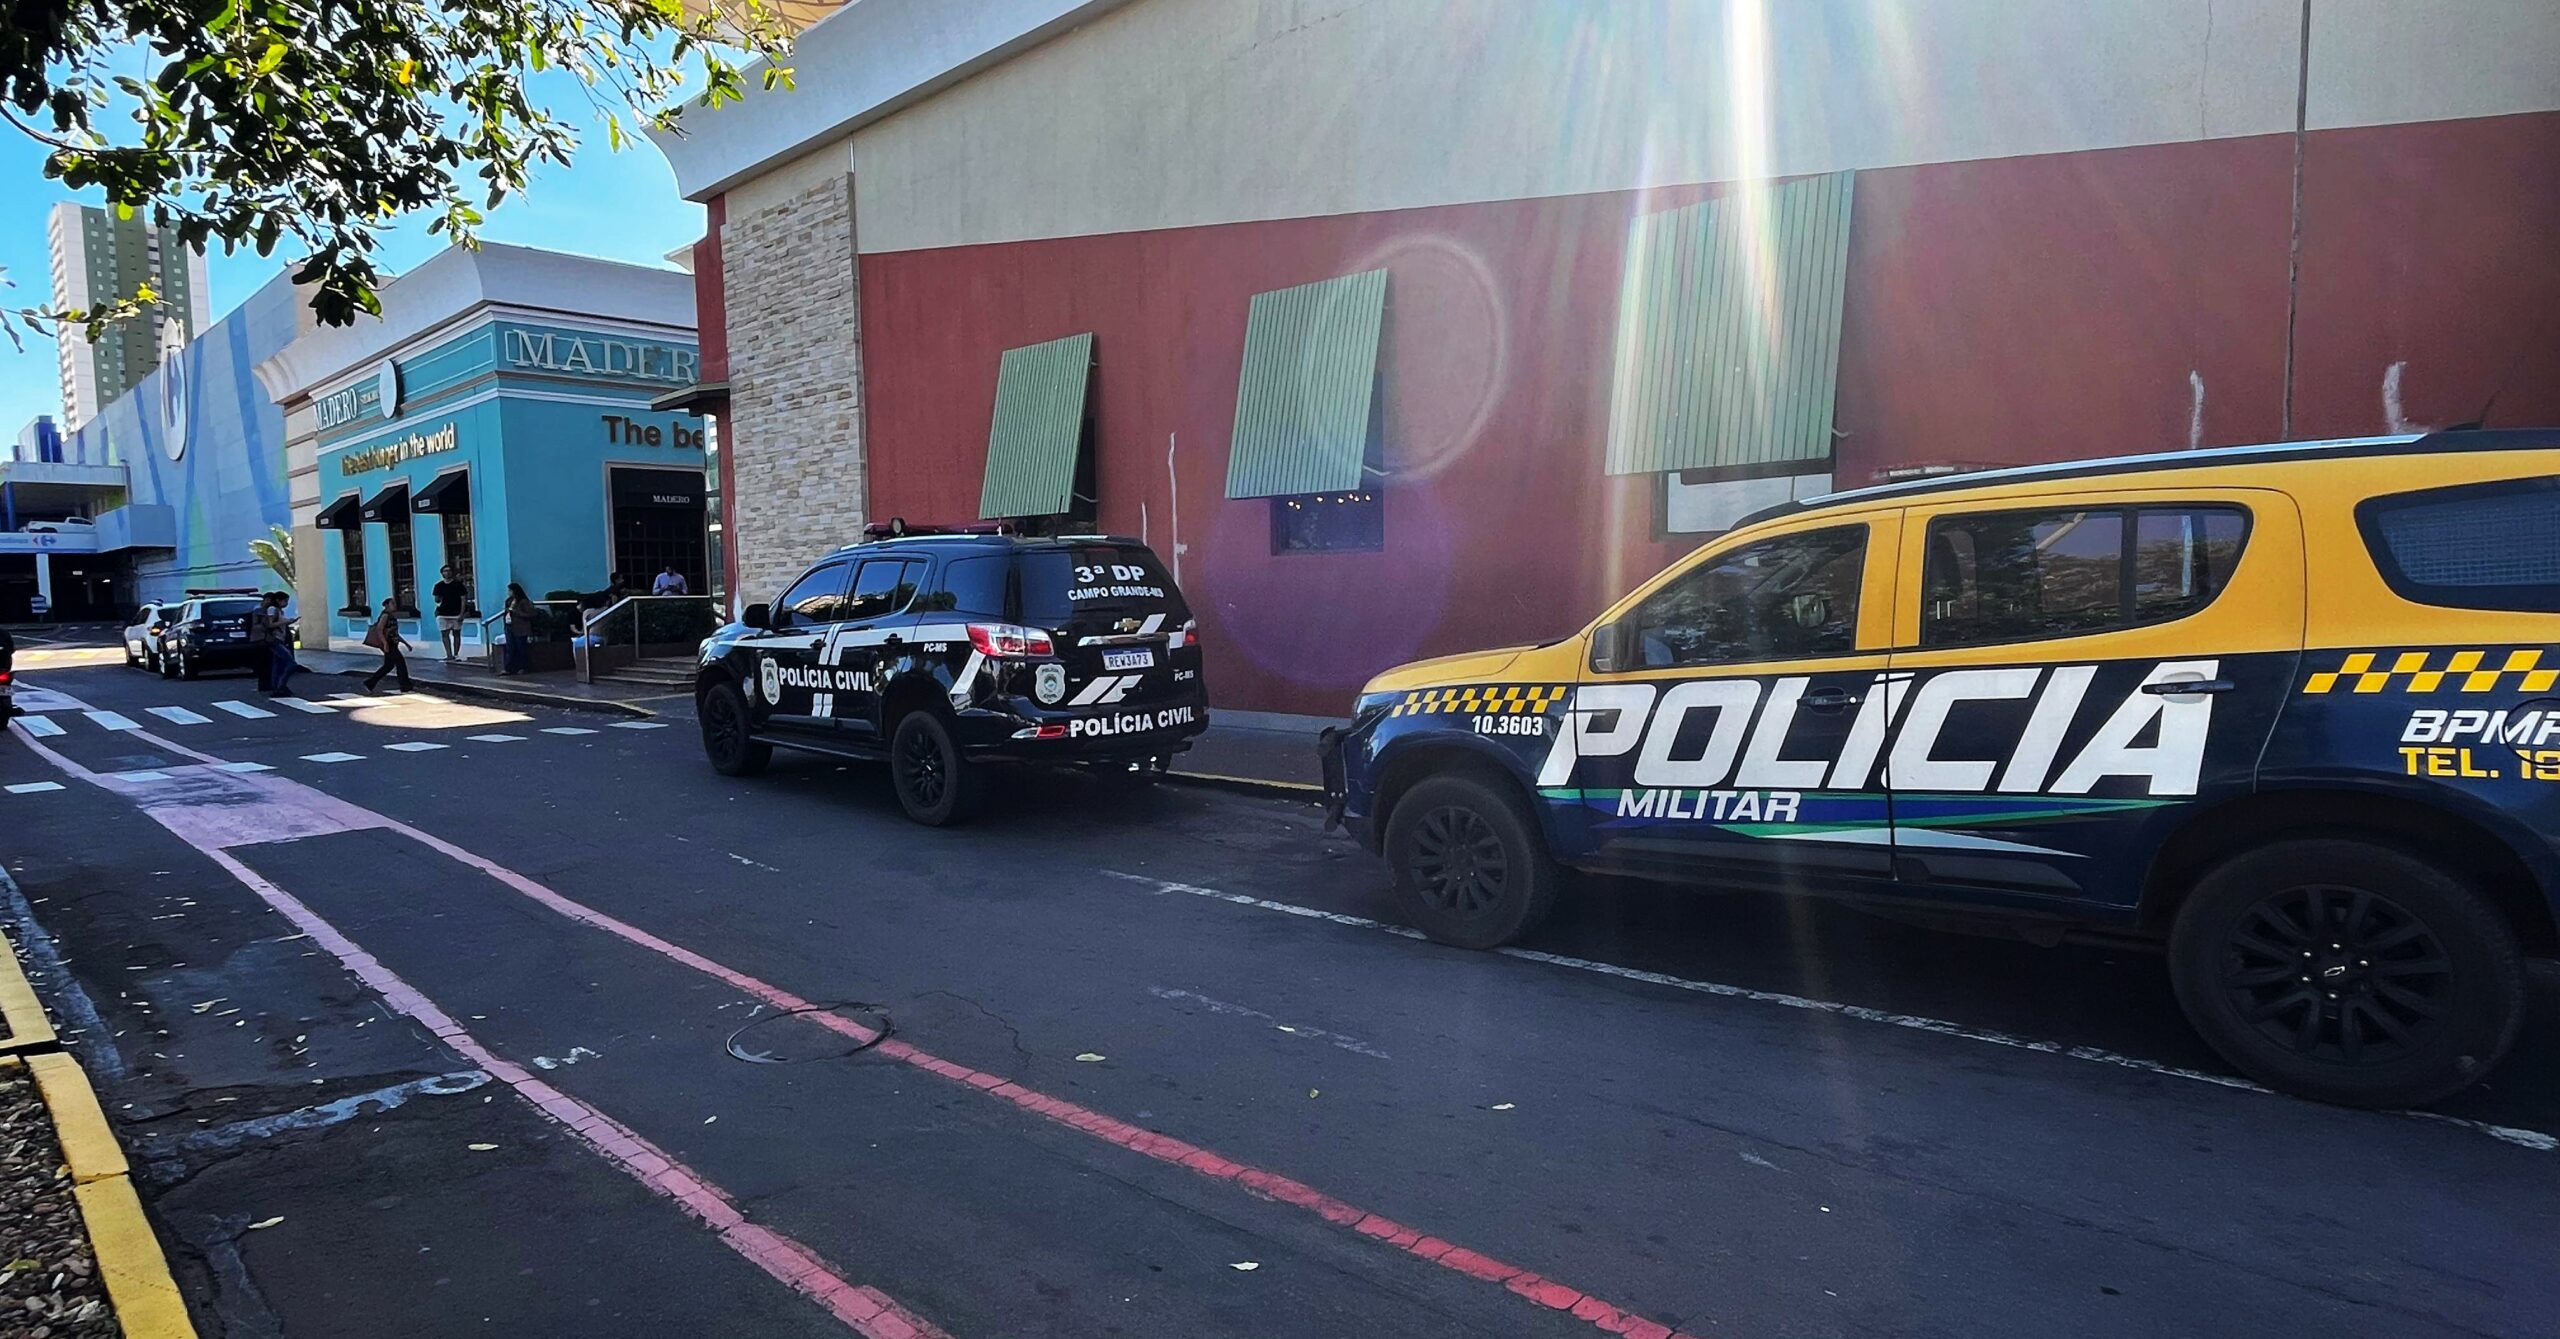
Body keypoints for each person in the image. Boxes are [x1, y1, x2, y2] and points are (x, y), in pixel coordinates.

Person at [362, 595, 413, 693]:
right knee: (400, 664)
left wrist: (406, 644)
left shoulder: (392, 617)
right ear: (386, 605)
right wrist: (385, 643)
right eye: (392, 603)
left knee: (388, 666)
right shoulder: (385, 615)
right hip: (389, 644)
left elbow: (395, 633)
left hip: (393, 643)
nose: (395, 605)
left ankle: (370, 683)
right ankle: (405, 686)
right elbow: (379, 630)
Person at [431, 564, 467, 660]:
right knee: (444, 634)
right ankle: (449, 655)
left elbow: (463, 600)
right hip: (443, 613)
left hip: (456, 613)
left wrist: (462, 613)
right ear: (442, 573)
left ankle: (456, 654)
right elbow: (437, 600)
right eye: (445, 571)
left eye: (449, 570)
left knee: (456, 634)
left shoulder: (458, 585)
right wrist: (438, 599)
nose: (447, 573)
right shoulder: (438, 586)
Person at [501, 583, 535, 676]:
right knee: (510, 648)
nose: (508, 592)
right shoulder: (508, 601)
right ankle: (509, 668)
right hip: (509, 626)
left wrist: (516, 612)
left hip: (520, 627)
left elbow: (531, 614)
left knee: (521, 648)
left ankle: (523, 667)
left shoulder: (523, 601)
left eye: (510, 590)